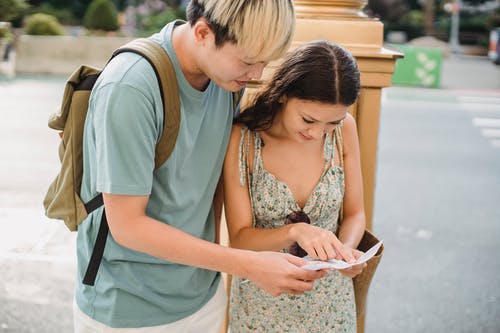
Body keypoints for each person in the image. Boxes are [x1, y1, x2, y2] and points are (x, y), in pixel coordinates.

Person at [73, 1, 350, 332]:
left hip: (202, 296)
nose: (257, 75)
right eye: (248, 61)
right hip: (128, 306)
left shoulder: (226, 80)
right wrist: (249, 265)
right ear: (203, 32)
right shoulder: (131, 86)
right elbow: (128, 225)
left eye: (264, 62)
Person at [222, 40, 367, 332]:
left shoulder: (344, 130)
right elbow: (239, 239)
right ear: (284, 94)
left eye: (331, 123)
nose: (317, 133)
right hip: (261, 305)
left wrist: (346, 254)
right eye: (308, 119)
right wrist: (294, 231)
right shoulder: (243, 139)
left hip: (331, 305)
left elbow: (355, 214)